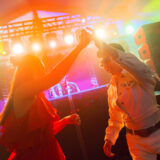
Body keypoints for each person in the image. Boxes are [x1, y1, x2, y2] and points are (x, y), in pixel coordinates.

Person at [0, 30, 91, 160]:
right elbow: (53, 77)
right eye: (41, 69)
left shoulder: (34, 96)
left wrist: (65, 121)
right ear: (30, 71)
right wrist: (79, 47)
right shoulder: (22, 91)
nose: (44, 73)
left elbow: (41, 136)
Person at [94, 39, 160, 160]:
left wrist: (106, 48)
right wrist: (109, 138)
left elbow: (137, 66)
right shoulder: (112, 89)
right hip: (135, 141)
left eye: (107, 60)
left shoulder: (138, 75)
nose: (106, 66)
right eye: (103, 64)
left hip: (157, 131)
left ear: (119, 56)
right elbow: (115, 118)